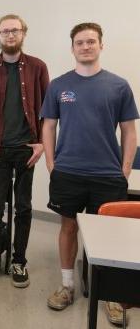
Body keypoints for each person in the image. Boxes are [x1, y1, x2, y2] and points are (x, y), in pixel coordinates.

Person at [42, 23, 138, 324]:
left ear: (101, 45)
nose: (86, 46)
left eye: (91, 41)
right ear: (72, 48)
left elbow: (129, 131)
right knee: (68, 227)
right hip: (68, 172)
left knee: (108, 235)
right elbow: (48, 126)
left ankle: (109, 294)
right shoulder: (58, 85)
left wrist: (124, 169)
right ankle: (68, 285)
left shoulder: (119, 85)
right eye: (80, 42)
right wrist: (50, 163)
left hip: (107, 175)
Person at [0, 14, 49, 289]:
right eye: (4, 31)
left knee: (24, 208)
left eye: (15, 30)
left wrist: (41, 143)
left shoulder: (38, 67)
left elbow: (46, 111)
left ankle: (19, 261)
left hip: (26, 149)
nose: (10, 35)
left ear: (23, 33)